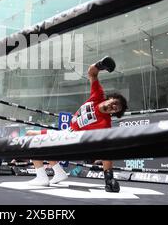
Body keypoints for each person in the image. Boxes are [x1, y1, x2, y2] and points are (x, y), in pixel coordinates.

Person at [26, 56, 127, 192]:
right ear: (112, 98)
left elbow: (106, 151)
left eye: (116, 109)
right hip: (67, 132)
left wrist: (109, 177)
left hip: (73, 141)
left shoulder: (105, 123)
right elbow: (92, 73)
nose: (113, 107)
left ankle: (41, 177)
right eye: (115, 103)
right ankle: (59, 172)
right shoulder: (97, 95)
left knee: (32, 137)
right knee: (38, 140)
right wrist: (101, 65)